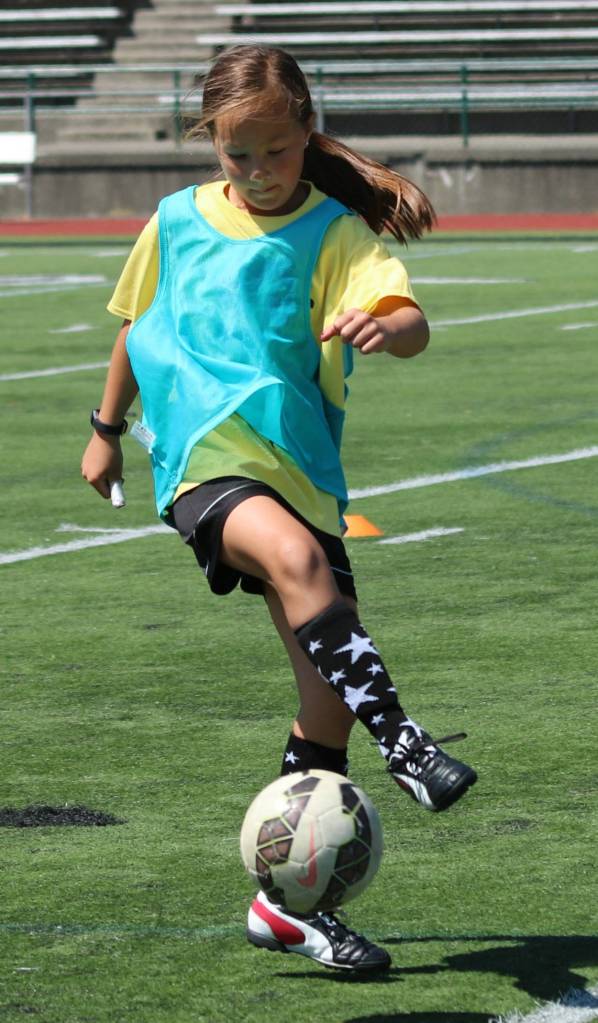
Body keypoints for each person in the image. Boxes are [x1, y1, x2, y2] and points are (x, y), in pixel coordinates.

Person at [81, 44, 477, 974]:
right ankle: (409, 744)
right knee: (295, 566)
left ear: (306, 129)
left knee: (322, 715)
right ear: (210, 144)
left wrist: (392, 326)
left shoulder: (336, 232)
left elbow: (407, 317)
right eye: (236, 156)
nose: (256, 173)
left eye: (275, 152)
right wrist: (106, 427)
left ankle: (284, 907)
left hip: (300, 476)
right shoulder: (177, 220)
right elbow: (140, 326)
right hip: (204, 466)